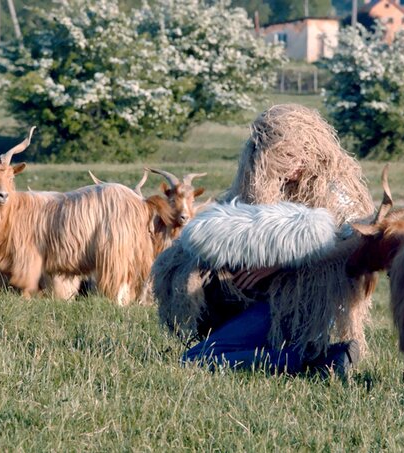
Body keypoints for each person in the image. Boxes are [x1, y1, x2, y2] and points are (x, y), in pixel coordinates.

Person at [152, 104, 376, 378]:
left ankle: (312, 359)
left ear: (311, 143)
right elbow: (238, 218)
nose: (290, 166)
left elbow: (358, 240)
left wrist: (281, 264)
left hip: (307, 300)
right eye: (279, 157)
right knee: (203, 352)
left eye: (293, 154)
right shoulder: (261, 177)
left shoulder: (335, 187)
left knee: (197, 360)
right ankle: (318, 357)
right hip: (268, 297)